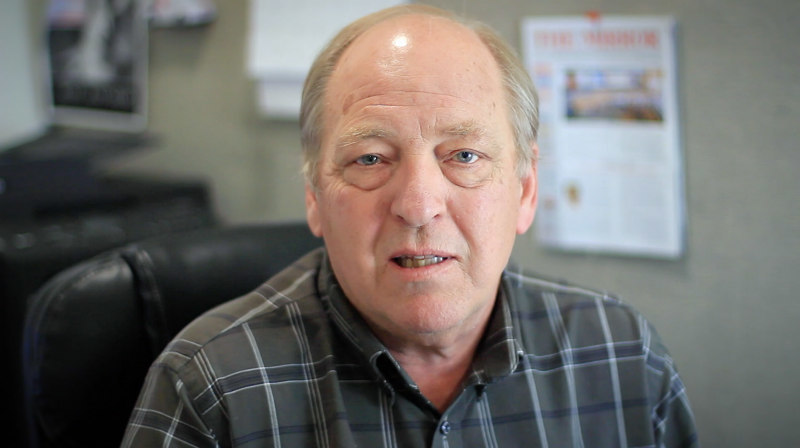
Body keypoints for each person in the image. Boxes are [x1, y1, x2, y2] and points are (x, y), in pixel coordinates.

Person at [122, 5, 698, 447]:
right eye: (370, 158)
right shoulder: (210, 389)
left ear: (526, 191)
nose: (419, 205)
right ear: (315, 197)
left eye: (464, 156)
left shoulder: (623, 356)